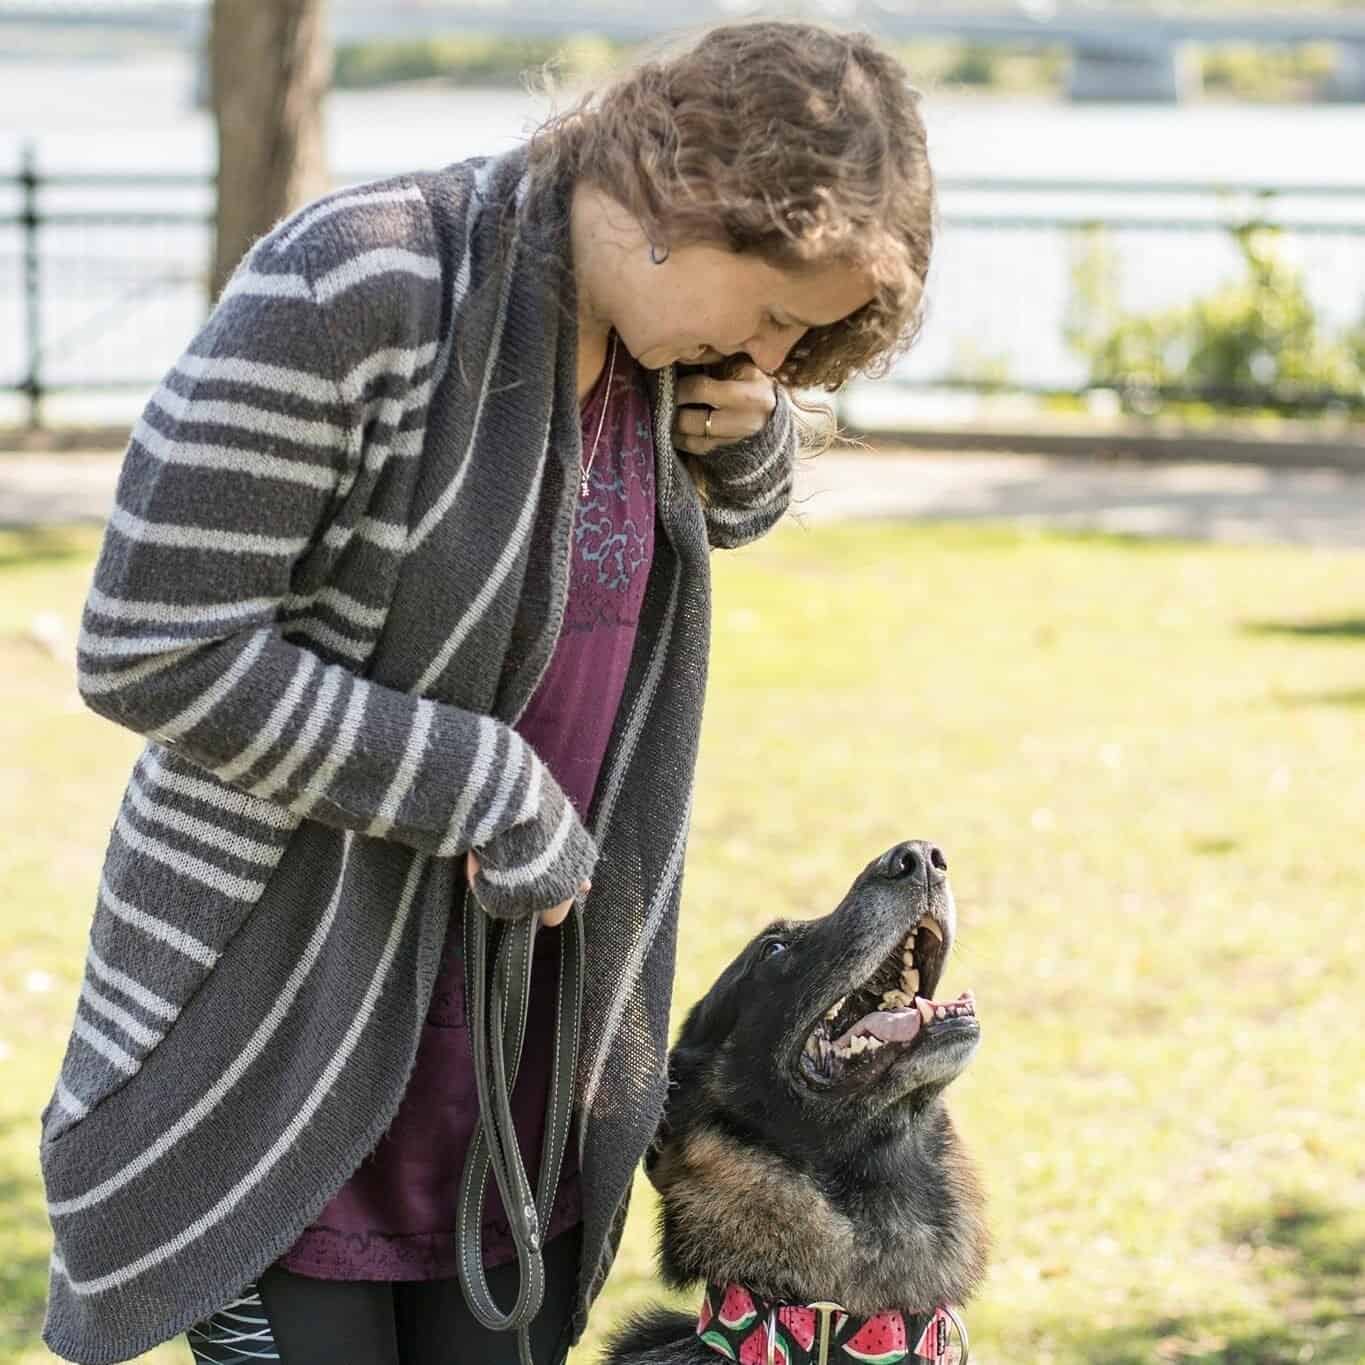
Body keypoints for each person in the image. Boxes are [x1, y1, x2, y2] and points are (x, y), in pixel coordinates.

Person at [38, 19, 934, 1365]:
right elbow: (152, 642)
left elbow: (626, 568)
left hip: (523, 1070)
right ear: (681, 203)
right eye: (772, 311)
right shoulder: (353, 284)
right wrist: (482, 785)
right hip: (285, 1039)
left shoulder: (664, 357)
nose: (775, 355)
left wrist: (746, 455)